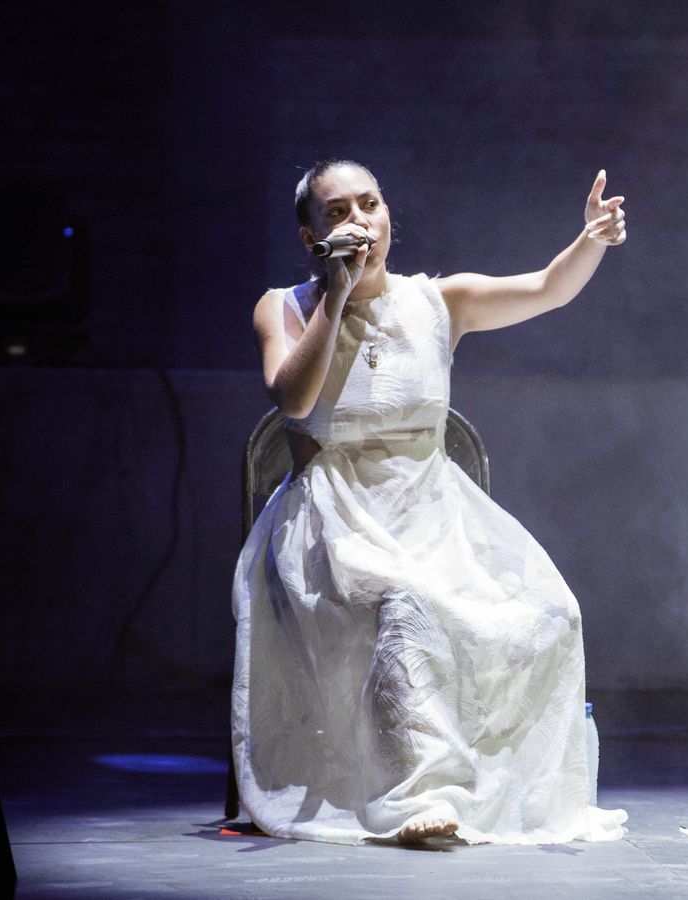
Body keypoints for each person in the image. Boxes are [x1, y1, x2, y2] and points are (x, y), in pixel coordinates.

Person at [232, 159, 629, 845]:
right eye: (338, 212)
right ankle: (415, 795)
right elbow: (292, 399)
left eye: (371, 204)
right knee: (405, 602)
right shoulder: (285, 306)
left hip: (434, 510)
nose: (360, 222)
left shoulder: (439, 300)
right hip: (334, 519)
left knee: (550, 611)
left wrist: (590, 238)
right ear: (309, 236)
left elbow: (546, 288)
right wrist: (337, 291)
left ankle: (516, 791)